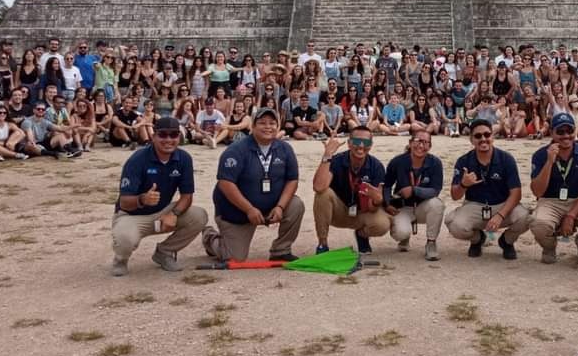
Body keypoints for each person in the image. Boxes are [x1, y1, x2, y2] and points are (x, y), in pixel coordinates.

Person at [202, 108, 305, 262]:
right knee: (234, 258)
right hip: (237, 211)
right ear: (252, 127)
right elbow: (225, 183)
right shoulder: (236, 149)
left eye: (272, 123)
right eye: (262, 123)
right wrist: (248, 209)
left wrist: (280, 207)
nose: (268, 127)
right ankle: (210, 237)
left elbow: (292, 180)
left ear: (278, 126)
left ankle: (281, 250)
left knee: (296, 205)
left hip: (270, 207)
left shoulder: (285, 149)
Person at [110, 116, 208, 276]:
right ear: (153, 136)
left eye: (174, 134)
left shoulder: (184, 158)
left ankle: (164, 252)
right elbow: (124, 203)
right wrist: (142, 199)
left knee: (199, 216)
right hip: (132, 215)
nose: (168, 139)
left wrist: (173, 214)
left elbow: (187, 196)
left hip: (162, 212)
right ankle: (121, 259)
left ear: (179, 137)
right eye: (163, 135)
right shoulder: (137, 160)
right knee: (125, 238)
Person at [529, 112, 578, 265]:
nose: (566, 135)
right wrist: (549, 162)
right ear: (551, 132)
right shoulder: (540, 155)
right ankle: (549, 247)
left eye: (570, 131)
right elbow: (537, 192)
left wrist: (571, 215)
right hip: (550, 200)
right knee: (538, 224)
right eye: (560, 131)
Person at [445, 118, 531, 260]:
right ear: (471, 140)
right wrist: (464, 184)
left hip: (502, 205)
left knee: (527, 217)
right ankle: (478, 239)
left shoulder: (506, 159)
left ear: (493, 136)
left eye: (487, 134)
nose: (483, 139)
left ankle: (507, 241)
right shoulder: (463, 161)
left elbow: (516, 194)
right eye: (478, 136)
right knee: (454, 224)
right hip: (475, 205)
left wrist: (500, 215)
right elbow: (455, 196)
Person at [311, 127, 390, 254]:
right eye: (357, 141)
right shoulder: (336, 160)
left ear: (371, 146)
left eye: (366, 143)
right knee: (323, 194)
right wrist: (327, 155)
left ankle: (362, 235)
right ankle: (322, 244)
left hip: (361, 212)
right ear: (349, 143)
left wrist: (376, 201)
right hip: (338, 211)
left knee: (382, 224)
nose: (361, 146)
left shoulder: (376, 166)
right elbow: (318, 187)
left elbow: (372, 209)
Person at [384, 129, 444, 261]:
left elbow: (436, 190)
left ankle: (431, 243)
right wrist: (387, 204)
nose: (421, 146)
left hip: (423, 206)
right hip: (403, 206)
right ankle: (405, 237)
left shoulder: (435, 163)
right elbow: (387, 185)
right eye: (417, 141)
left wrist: (413, 190)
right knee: (400, 233)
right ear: (410, 143)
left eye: (425, 142)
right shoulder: (397, 162)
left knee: (437, 204)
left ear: (430, 146)